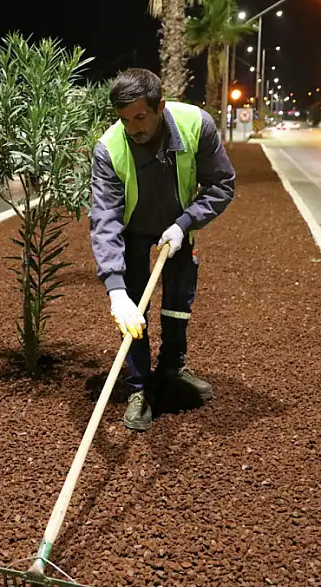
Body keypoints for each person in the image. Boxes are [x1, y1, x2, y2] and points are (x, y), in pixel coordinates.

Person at [89, 68, 237, 432]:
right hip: (132, 238)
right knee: (133, 318)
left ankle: (173, 370)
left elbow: (222, 185)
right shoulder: (109, 149)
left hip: (176, 233)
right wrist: (116, 289)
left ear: (160, 107)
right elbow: (104, 219)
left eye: (140, 117)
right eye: (125, 119)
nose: (133, 127)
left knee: (177, 307)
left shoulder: (196, 125)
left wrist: (184, 223)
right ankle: (139, 387)